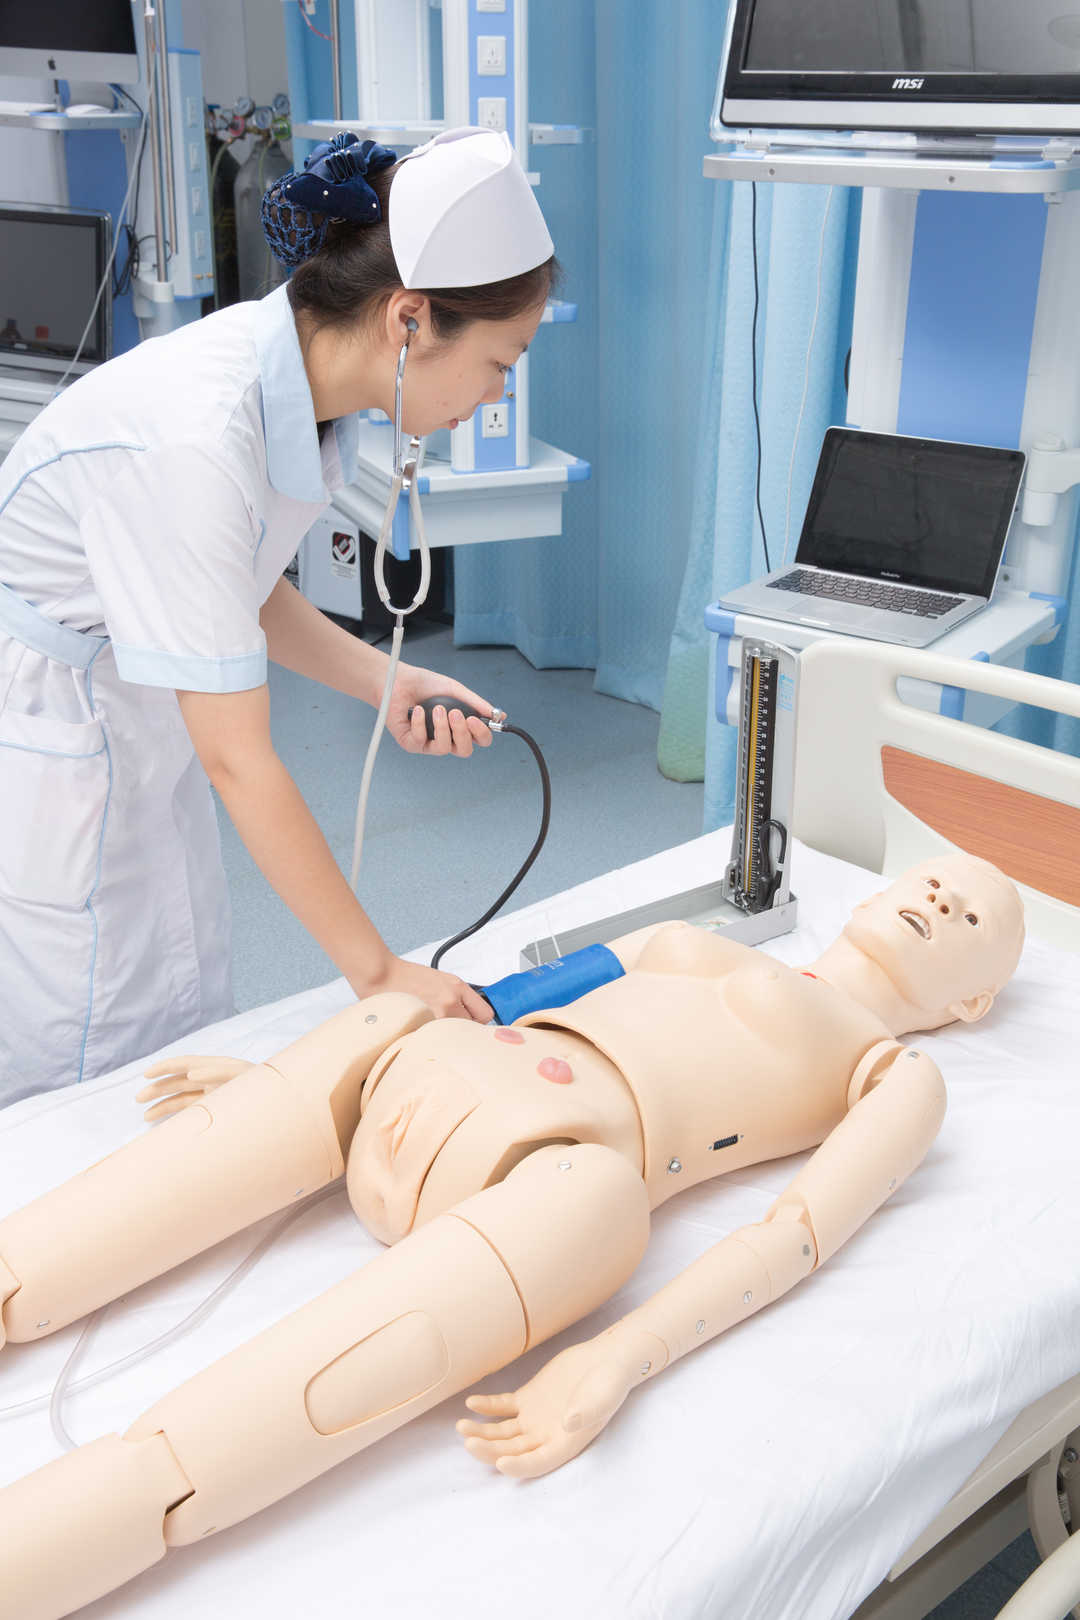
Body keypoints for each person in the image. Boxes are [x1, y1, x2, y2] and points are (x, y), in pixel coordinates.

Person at [0, 854, 1026, 1617]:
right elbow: (494, 1001)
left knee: (601, 1202)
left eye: (971, 912)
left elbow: (794, 1234)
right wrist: (293, 1082)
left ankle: (97, 1518)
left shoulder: (897, 1074)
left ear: (974, 1000)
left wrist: (617, 1357)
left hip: (542, 1166)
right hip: (432, 1071)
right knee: (393, 1015)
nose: (940, 898)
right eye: (932, 880)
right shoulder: (691, 940)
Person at [0, 127, 555, 1107]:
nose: (497, 393)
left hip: (128, 701)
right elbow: (239, 761)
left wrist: (387, 680)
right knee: (82, 1043)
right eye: (501, 360)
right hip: (56, 721)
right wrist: (379, 975)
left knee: (169, 984)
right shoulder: (198, 437)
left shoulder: (298, 392)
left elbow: (239, 584)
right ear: (410, 319)